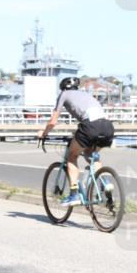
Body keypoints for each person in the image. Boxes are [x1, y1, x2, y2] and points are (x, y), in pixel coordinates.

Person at [37, 76, 115, 206]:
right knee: (91, 156)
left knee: (71, 157)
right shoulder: (85, 95)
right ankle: (105, 182)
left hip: (90, 127)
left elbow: (53, 121)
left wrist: (44, 133)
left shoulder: (64, 94)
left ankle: (74, 194)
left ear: (62, 88)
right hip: (107, 127)